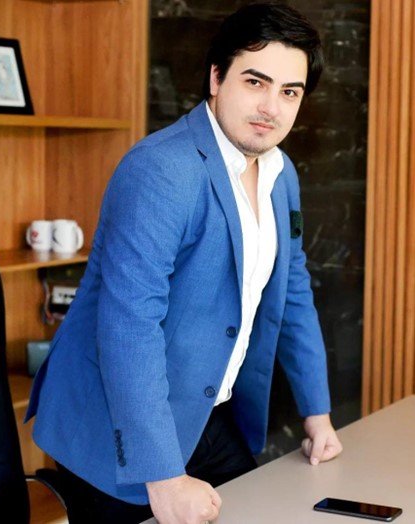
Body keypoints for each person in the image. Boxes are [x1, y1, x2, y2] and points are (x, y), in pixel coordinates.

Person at [26, 3, 343, 523]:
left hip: (205, 412)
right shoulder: (161, 170)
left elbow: (293, 288)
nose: (272, 107)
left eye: (290, 92)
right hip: (117, 423)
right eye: (255, 82)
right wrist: (165, 478)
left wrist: (317, 412)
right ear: (216, 78)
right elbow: (130, 325)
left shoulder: (281, 174)